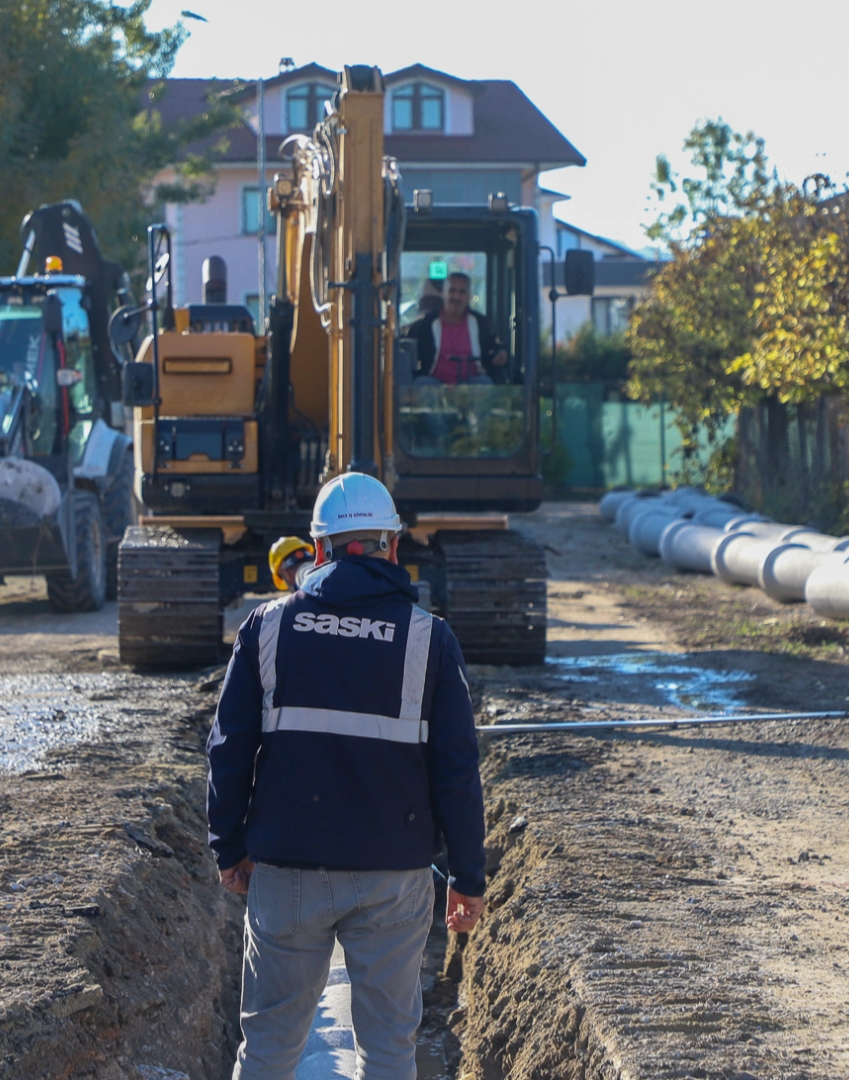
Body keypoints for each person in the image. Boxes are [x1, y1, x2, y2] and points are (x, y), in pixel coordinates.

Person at [208, 473, 487, 1079]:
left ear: (316, 551)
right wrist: (467, 875)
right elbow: (458, 769)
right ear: (392, 546)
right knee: (388, 1049)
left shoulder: (268, 626)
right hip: (394, 874)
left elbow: (228, 748)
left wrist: (228, 847)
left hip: (286, 872)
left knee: (267, 1047)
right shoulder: (429, 639)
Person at [402, 271, 510, 385]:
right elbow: (405, 346)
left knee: (485, 383)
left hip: (471, 386)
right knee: (422, 383)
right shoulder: (425, 323)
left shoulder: (481, 323)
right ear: (443, 293)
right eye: (452, 291)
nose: (456, 297)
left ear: (469, 296)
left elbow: (495, 346)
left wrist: (501, 354)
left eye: (462, 292)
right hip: (435, 384)